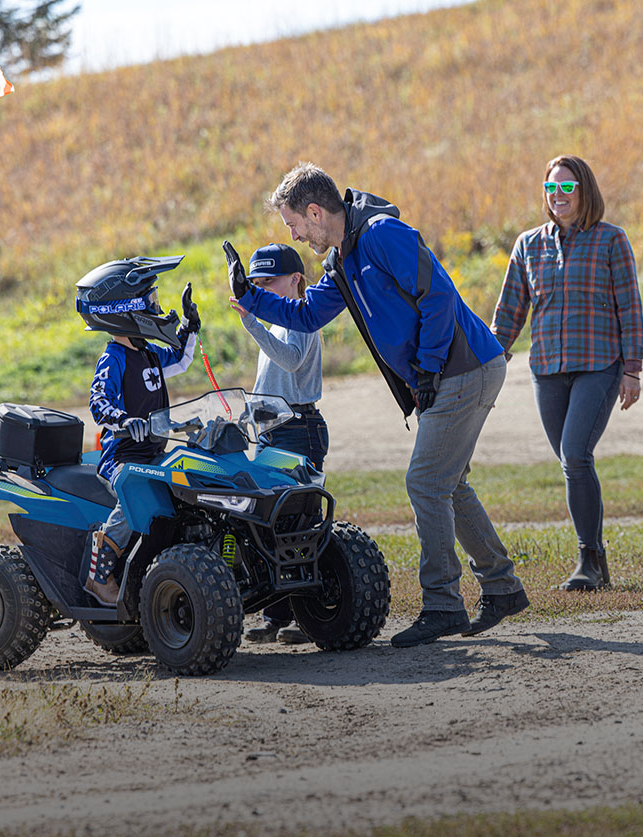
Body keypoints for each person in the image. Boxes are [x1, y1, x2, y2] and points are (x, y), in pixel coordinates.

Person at [223, 162, 528, 647]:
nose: (295, 235)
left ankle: (444, 605)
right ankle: (502, 587)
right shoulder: (342, 261)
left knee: (425, 481)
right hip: (450, 373)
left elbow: (438, 297)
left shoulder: (383, 235)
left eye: (294, 224)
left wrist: (426, 368)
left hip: (465, 368)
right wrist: (250, 299)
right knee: (448, 482)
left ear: (316, 211)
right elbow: (305, 315)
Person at [491, 154, 643, 591]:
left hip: (600, 365)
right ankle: (596, 562)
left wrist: (632, 370)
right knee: (570, 462)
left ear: (584, 191)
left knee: (576, 454)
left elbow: (630, 308)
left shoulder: (611, 240)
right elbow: (509, 313)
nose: (558, 195)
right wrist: (487, 362)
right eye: (551, 188)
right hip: (547, 369)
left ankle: (588, 560)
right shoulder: (528, 244)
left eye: (567, 187)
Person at [75, 256, 199, 605]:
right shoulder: (114, 356)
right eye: (152, 302)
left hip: (155, 453)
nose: (158, 308)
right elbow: (98, 400)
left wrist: (189, 325)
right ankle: (98, 577)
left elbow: (181, 359)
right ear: (126, 311)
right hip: (123, 456)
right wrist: (123, 420)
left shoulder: (146, 352)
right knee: (138, 495)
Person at [229, 242, 329, 645]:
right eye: (256, 283)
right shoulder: (274, 325)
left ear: (296, 280)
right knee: (269, 526)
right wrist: (244, 416)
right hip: (273, 432)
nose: (262, 288)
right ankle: (277, 616)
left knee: (298, 526)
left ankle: (310, 616)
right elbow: (268, 387)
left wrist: (252, 324)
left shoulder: (303, 319)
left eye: (269, 281)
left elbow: (289, 362)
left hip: (299, 430)